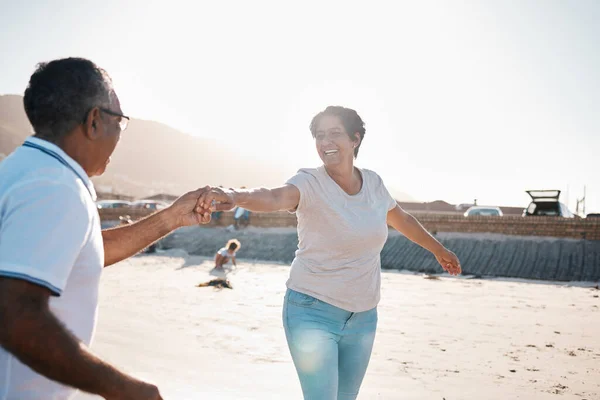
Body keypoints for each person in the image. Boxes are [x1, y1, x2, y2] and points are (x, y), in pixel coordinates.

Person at [197, 106, 462, 400]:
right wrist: (235, 196)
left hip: (363, 318)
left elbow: (401, 219)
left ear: (355, 139)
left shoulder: (373, 184)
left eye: (335, 133)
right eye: (320, 136)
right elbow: (273, 196)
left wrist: (439, 250)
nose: (326, 142)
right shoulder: (309, 182)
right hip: (312, 311)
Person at [0, 58, 212, 400]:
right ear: (94, 121)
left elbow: (76, 254)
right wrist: (123, 388)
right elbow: (15, 316)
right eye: (120, 122)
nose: (119, 134)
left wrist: (171, 217)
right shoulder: (55, 186)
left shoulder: (25, 170)